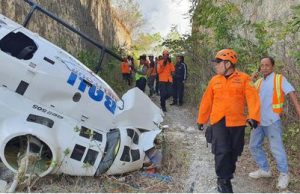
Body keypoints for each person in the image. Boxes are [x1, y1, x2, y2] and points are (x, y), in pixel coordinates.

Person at [197, 49, 261, 193]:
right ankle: (223, 180)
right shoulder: (214, 80)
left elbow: (253, 99)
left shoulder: (244, 78)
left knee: (234, 150)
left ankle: (228, 173)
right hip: (218, 121)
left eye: (218, 63)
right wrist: (201, 120)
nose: (215, 66)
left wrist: (253, 117)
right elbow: (207, 101)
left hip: (237, 121)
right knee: (222, 150)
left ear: (227, 63)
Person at [248, 56, 300, 189]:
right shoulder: (259, 82)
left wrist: (298, 109)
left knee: (276, 149)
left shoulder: (279, 79)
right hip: (258, 121)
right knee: (254, 145)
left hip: (272, 121)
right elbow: (248, 94)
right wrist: (250, 80)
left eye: (267, 65)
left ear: (272, 66)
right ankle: (264, 170)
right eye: (262, 65)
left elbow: (291, 92)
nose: (264, 67)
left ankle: (284, 174)